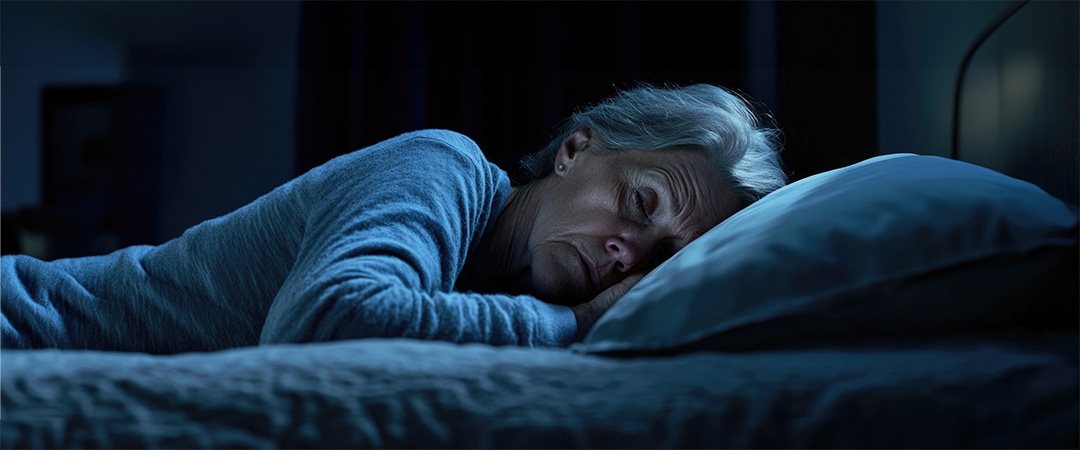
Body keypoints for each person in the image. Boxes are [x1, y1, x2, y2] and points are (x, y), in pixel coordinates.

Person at [1, 83, 786, 353]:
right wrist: (577, 323)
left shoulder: (508, 303)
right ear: (576, 149)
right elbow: (326, 319)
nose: (627, 256)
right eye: (640, 203)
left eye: (661, 259)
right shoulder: (441, 165)